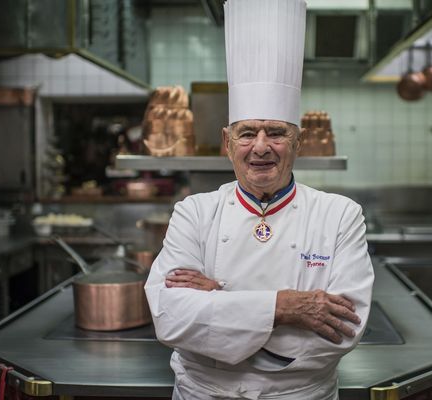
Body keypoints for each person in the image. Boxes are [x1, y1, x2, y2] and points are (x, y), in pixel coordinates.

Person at [144, 0, 374, 398]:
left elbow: (343, 329)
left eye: (277, 133)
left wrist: (219, 306)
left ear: (298, 143)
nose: (261, 147)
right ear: (227, 143)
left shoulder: (340, 215)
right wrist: (287, 307)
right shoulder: (194, 212)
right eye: (248, 132)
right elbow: (170, 319)